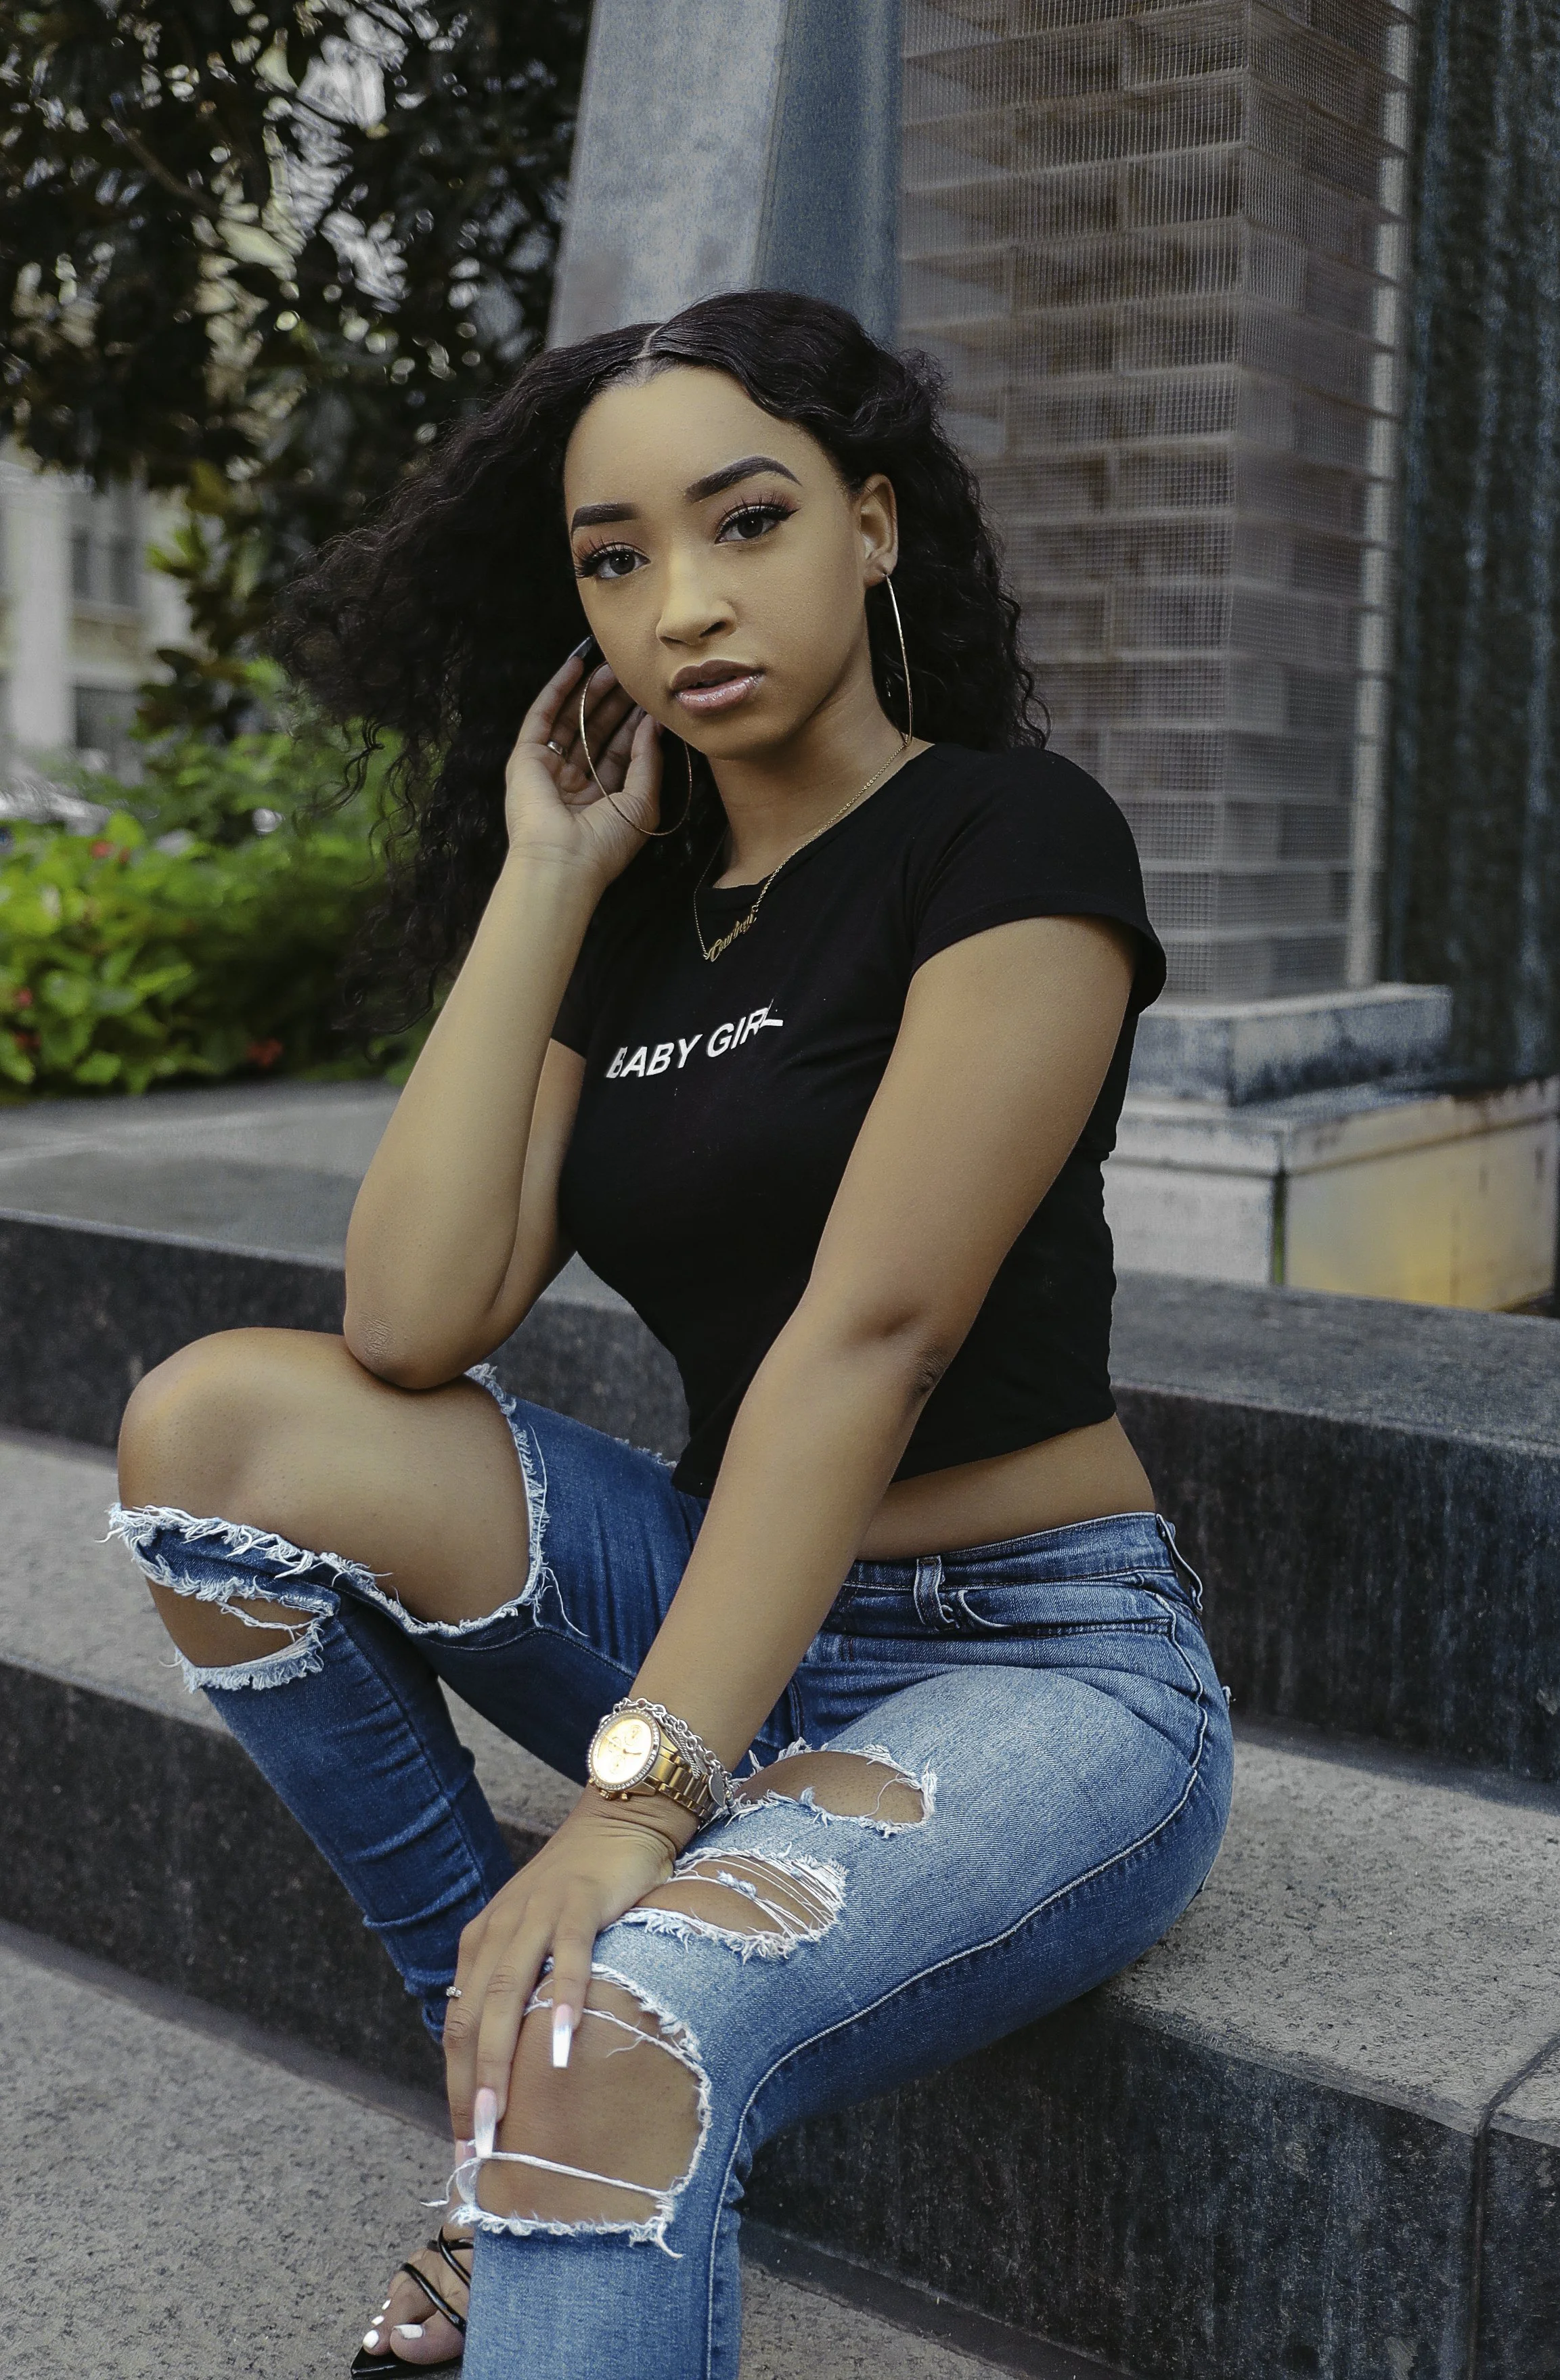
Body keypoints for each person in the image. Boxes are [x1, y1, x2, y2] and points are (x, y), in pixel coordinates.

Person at [111, 291, 1232, 2380]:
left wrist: (634, 1806)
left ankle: (538, 2082)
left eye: (746, 523)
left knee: (620, 2026)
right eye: (616, 561)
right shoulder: (640, 912)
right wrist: (550, 873)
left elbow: (874, 1335)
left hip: (1037, 1663)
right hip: (746, 1606)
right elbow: (411, 1313)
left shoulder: (1011, 836)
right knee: (217, 1433)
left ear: (875, 527)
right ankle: (494, 2106)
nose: (682, 605)